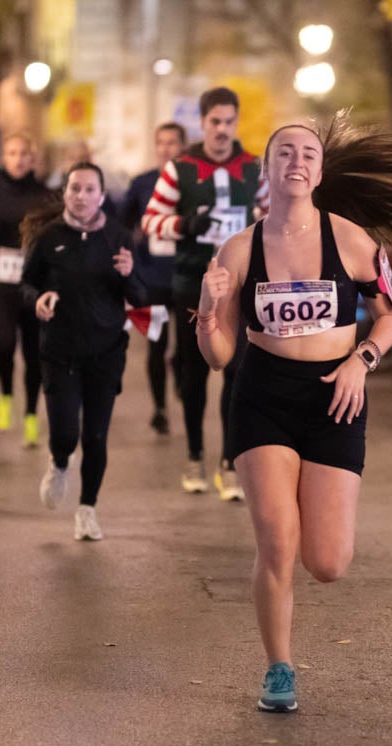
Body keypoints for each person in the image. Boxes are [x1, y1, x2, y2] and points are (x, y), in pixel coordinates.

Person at [196, 114, 392, 712]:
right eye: (284, 153)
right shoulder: (240, 248)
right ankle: (279, 668)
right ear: (267, 170)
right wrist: (208, 306)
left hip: (336, 397)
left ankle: (291, 630)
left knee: (326, 562)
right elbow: (219, 355)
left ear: (319, 171)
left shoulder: (354, 241)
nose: (296, 161)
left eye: (307, 153)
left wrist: (362, 360)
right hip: (263, 398)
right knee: (276, 542)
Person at [142, 86, 268, 501]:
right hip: (192, 285)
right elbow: (151, 221)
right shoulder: (180, 168)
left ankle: (229, 462)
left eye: (229, 122)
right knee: (194, 376)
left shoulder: (254, 169)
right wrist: (184, 226)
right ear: (202, 122)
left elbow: (275, 218)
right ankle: (195, 453)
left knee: (238, 373)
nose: (221, 130)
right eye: (214, 122)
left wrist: (258, 225)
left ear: (236, 122)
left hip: (242, 286)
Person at [20, 162, 147, 541]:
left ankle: (87, 509)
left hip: (106, 351)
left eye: (90, 189)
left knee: (95, 436)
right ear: (66, 193)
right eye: (75, 188)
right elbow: (26, 284)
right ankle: (60, 462)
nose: (81, 196)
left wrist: (129, 274)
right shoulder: (48, 237)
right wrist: (38, 298)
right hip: (59, 350)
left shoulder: (118, 236)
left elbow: (138, 298)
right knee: (65, 432)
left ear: (102, 196)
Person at [0, 132, 57, 446]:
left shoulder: (46, 196)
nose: (18, 159)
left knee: (34, 352)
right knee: (3, 341)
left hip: (33, 281)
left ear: (33, 158)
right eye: (12, 153)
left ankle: (29, 414)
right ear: (3, 157)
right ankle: (6, 396)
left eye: (24, 153)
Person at [121, 121, 187, 435]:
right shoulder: (142, 183)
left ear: (183, 147)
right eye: (161, 143)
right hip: (152, 281)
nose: (166, 149)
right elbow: (123, 225)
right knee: (155, 346)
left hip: (188, 279)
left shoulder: (194, 182)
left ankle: (182, 374)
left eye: (172, 143)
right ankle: (159, 408)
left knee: (190, 348)